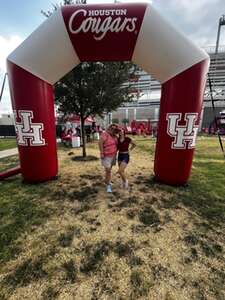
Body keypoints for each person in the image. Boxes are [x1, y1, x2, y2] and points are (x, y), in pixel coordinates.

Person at [98, 124, 119, 193]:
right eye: (112, 128)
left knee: (109, 170)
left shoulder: (115, 136)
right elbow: (100, 143)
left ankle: (106, 181)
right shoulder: (105, 134)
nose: (113, 129)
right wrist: (101, 152)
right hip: (106, 156)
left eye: (115, 129)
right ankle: (108, 186)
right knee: (108, 170)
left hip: (113, 155)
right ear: (109, 127)